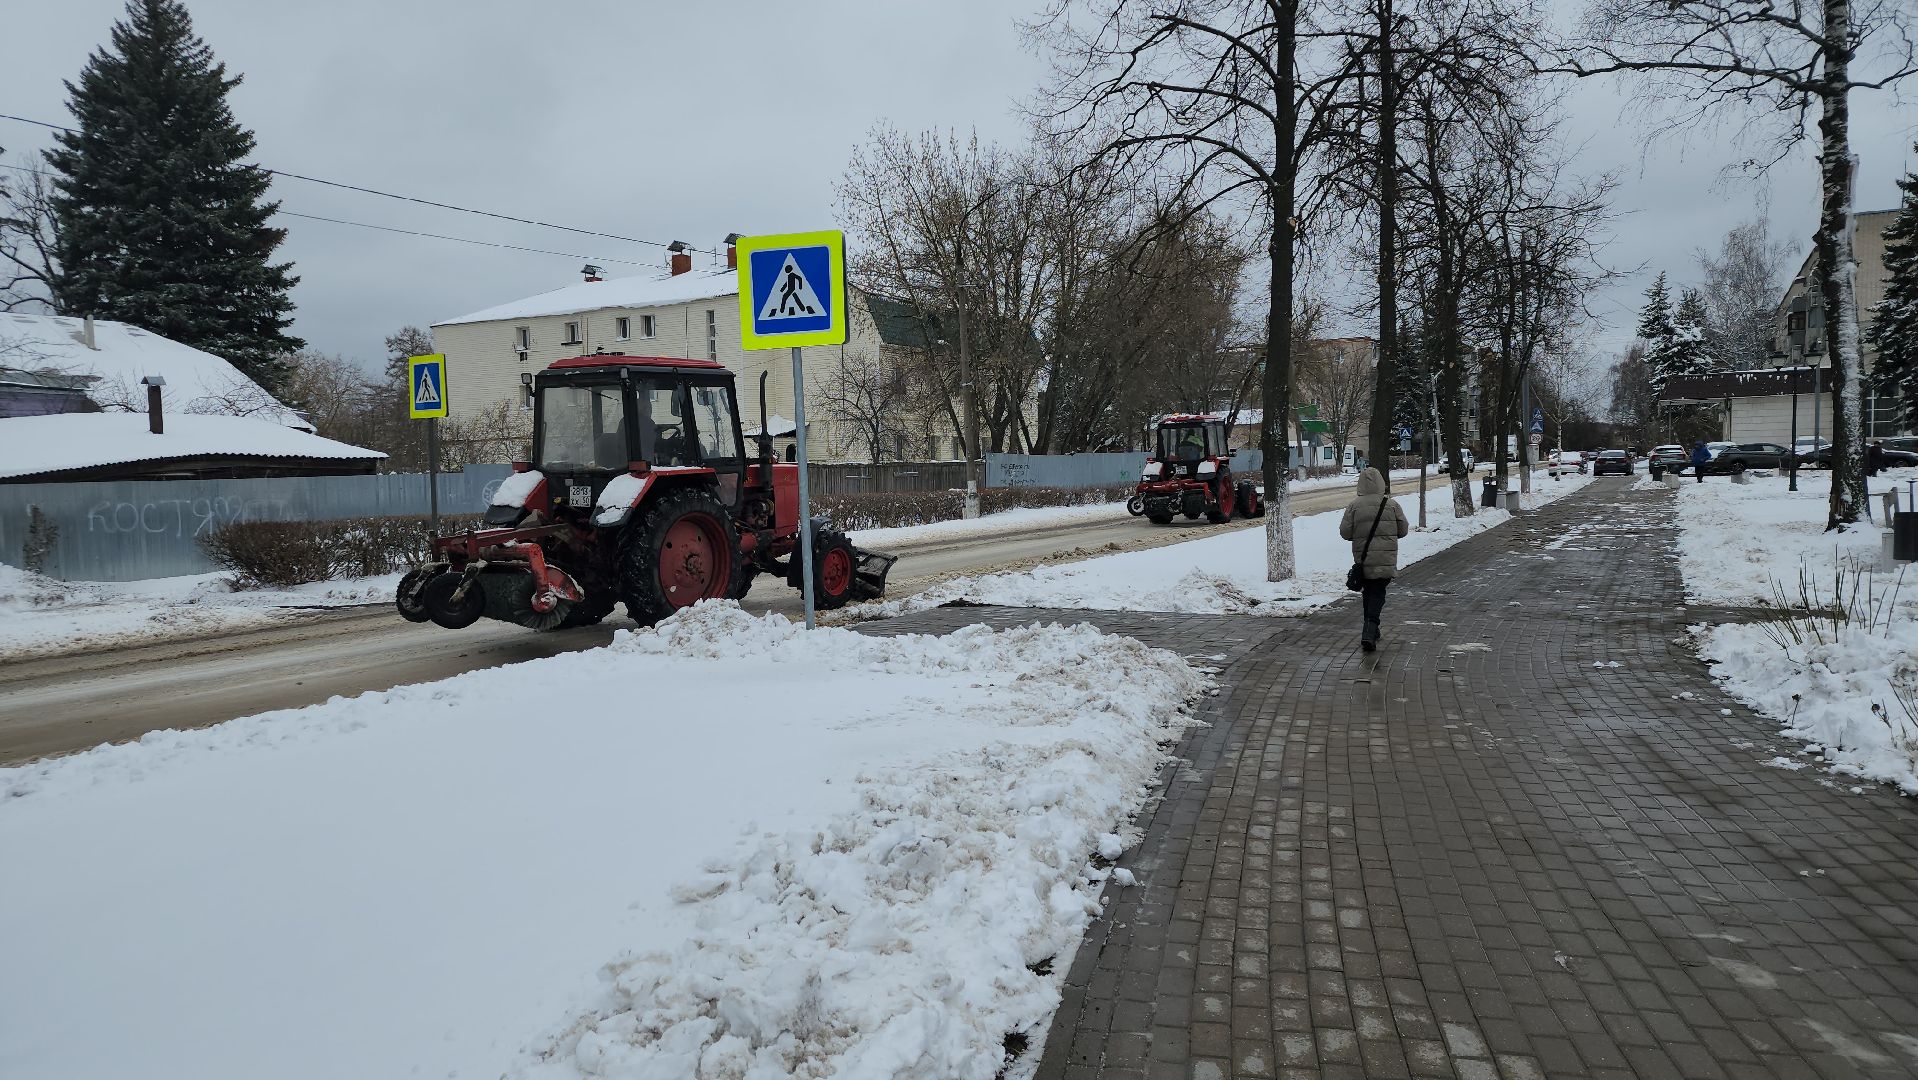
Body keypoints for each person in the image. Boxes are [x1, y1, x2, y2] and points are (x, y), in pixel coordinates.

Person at [1339, 467, 1412, 652]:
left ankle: (1371, 629)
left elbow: (1345, 533)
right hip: (1385, 558)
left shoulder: (1354, 506)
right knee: (1377, 593)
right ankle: (1370, 630)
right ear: (1381, 483)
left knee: (1369, 592)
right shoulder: (1392, 505)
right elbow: (1403, 530)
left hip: (1363, 559)